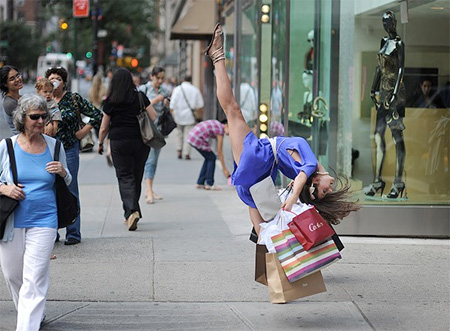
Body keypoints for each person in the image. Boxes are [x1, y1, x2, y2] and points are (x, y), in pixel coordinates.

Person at [205, 23, 359, 235]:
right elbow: (300, 179)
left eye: (325, 190)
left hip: (261, 156)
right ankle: (266, 243)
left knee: (232, 110)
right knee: (254, 204)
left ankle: (218, 56)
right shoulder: (306, 166)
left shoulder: (310, 166)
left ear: (315, 183)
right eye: (329, 189)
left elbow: (301, 179)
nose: (330, 187)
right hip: (261, 165)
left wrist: (294, 196)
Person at [0, 94, 72, 330]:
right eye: (35, 117)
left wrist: (62, 171)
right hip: (12, 221)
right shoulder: (6, 146)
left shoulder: (55, 146)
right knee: (13, 275)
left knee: (35, 278)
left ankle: (27, 325)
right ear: (23, 118)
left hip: (45, 219)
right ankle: (32, 312)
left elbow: (68, 180)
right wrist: (5, 188)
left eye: (44, 116)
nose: (41, 121)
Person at [45, 66, 102, 245]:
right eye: (51, 78)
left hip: (69, 148)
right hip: (47, 151)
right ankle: (51, 232)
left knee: (70, 188)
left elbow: (96, 115)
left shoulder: (73, 99)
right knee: (49, 190)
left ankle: (73, 232)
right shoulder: (42, 101)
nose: (54, 82)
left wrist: (83, 132)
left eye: (58, 79)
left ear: (64, 82)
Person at [97, 68, 157, 231]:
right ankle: (131, 212)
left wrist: (101, 143)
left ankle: (131, 211)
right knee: (136, 176)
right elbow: (153, 115)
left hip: (119, 142)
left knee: (124, 177)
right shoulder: (139, 97)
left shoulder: (110, 100)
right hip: (140, 141)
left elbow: (103, 127)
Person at [367, 11, 406, 199]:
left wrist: (395, 94)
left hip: (395, 93)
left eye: (388, 22)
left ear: (394, 22)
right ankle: (378, 180)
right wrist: (372, 89)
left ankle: (398, 182)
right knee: (377, 136)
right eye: (383, 22)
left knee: (397, 137)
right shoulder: (383, 42)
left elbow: (400, 70)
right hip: (382, 92)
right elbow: (378, 67)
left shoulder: (399, 44)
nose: (386, 25)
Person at [139, 66, 170, 204]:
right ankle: (149, 191)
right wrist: (155, 101)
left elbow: (166, 110)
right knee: (150, 160)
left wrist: (166, 104)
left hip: (158, 130)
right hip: (146, 130)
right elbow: (139, 107)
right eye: (158, 78)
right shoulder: (144, 89)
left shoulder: (164, 91)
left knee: (154, 160)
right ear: (152, 76)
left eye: (162, 78)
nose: (160, 81)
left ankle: (149, 189)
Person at [187, 119, 230, 190]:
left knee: (208, 157)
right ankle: (209, 183)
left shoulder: (217, 124)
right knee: (212, 157)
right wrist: (224, 169)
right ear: (226, 126)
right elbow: (219, 151)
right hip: (197, 138)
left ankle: (200, 182)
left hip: (192, 136)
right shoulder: (220, 130)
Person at [170, 75, 204, 160]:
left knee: (179, 134)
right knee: (188, 135)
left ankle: (179, 150)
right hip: (190, 116)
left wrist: (172, 114)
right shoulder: (195, 90)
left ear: (183, 79)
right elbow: (200, 105)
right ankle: (186, 153)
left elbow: (172, 104)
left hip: (178, 115)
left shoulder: (177, 89)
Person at [0, 65, 24, 135]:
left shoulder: (21, 98)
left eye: (17, 75)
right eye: (12, 79)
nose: (17, 79)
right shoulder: (9, 103)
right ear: (5, 84)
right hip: (23, 142)